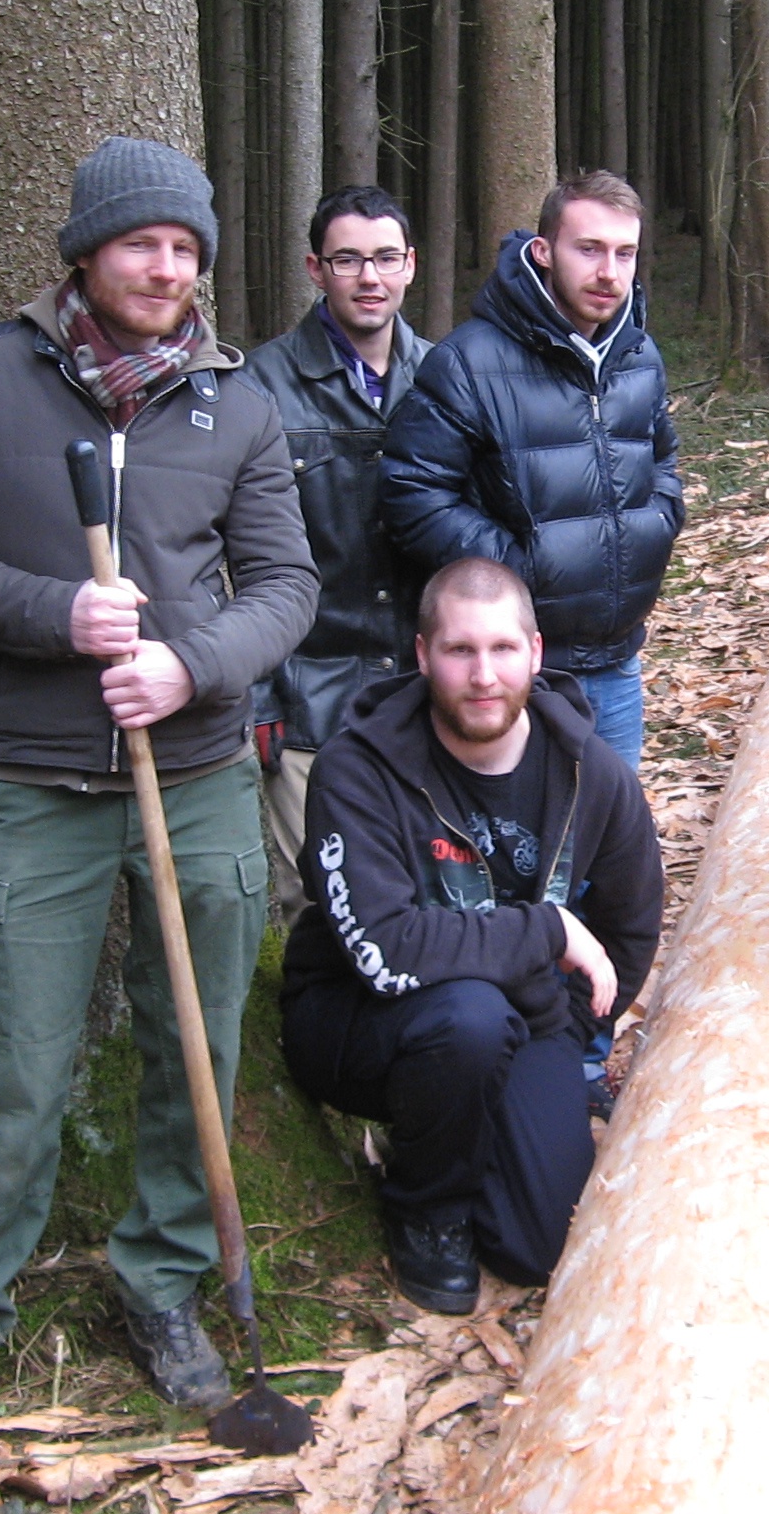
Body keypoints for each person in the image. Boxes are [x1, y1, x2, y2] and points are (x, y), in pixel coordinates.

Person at [0, 136, 319, 1447]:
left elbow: (286, 585)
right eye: (142, 244)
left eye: (186, 249)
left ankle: (164, 1281)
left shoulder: (236, 405)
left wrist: (193, 665)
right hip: (40, 779)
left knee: (196, 1047)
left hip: (200, 775)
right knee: (13, 1061)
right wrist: (55, 613)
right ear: (85, 253)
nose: (167, 269)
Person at [281, 558, 666, 1314]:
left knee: (535, 1246)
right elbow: (384, 951)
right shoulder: (357, 770)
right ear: (423, 655)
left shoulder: (591, 772)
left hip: (524, 1018)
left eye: (502, 649)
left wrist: (571, 1029)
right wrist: (547, 929)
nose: (483, 675)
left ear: (536, 652)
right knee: (470, 1019)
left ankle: (469, 1128)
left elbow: (631, 924)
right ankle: (425, 1207)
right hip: (359, 1019)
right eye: (460, 650)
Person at [381, 171, 679, 772]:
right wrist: (518, 569)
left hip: (618, 663)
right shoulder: (469, 362)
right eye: (588, 249)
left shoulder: (639, 357)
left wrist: (661, 519)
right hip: (516, 675)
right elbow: (411, 492)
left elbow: (664, 458)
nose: (609, 272)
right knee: (529, 829)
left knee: (614, 824)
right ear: (543, 251)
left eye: (624, 254)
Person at [247, 183, 433, 933]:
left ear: (410, 264)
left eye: (385, 258)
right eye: (348, 259)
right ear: (315, 269)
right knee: (322, 912)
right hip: (306, 697)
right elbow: (230, 559)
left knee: (424, 897)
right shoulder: (258, 387)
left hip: (425, 694)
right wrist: (258, 699)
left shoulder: (446, 377)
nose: (369, 277)